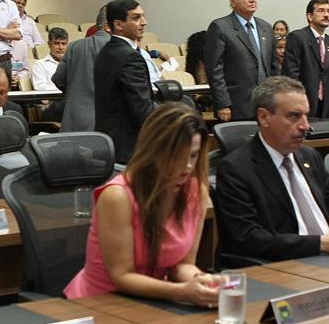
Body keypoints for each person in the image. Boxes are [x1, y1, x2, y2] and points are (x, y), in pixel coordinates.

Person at [63, 103, 218, 304]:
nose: (187, 165)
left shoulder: (197, 191)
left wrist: (203, 282)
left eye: (193, 155)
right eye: (176, 155)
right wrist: (180, 291)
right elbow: (121, 276)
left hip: (154, 302)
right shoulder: (118, 196)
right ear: (153, 151)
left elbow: (183, 265)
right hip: (100, 302)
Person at [215, 76, 329, 260]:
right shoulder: (236, 169)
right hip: (286, 266)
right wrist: (321, 244)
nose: (305, 126)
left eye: (306, 115)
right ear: (264, 117)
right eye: (294, 116)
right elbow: (248, 238)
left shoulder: (310, 156)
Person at [94, 0, 156, 163]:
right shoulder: (130, 57)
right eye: (136, 18)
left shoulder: (106, 51)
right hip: (129, 146)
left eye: (142, 16)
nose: (144, 22)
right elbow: (142, 107)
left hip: (109, 142)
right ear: (118, 25)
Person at [204, 0, 277, 122]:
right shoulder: (220, 27)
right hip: (236, 106)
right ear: (233, 1)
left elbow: (274, 67)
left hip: (266, 105)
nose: (252, 0)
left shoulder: (266, 27)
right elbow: (214, 70)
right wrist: (222, 103)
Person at [53, 5, 111, 132]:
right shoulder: (121, 49)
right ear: (113, 24)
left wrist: (76, 91)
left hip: (75, 120)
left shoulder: (74, 46)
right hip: (107, 125)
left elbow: (58, 79)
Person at [284, 0, 329, 120]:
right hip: (303, 105)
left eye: (328, 11)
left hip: (325, 108)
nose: (326, 15)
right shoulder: (297, 37)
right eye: (321, 11)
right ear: (310, 16)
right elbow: (291, 76)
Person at [31, 27, 68, 121]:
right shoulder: (40, 65)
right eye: (56, 43)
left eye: (63, 44)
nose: (60, 47)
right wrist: (67, 90)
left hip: (70, 105)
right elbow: (41, 88)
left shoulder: (73, 63)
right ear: (49, 44)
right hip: (51, 107)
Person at [9, 0, 41, 81]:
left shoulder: (30, 22)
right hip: (13, 52)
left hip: (29, 52)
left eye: (23, 4)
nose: (20, 6)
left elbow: (39, 41)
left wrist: (33, 49)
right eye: (17, 3)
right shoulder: (6, 20)